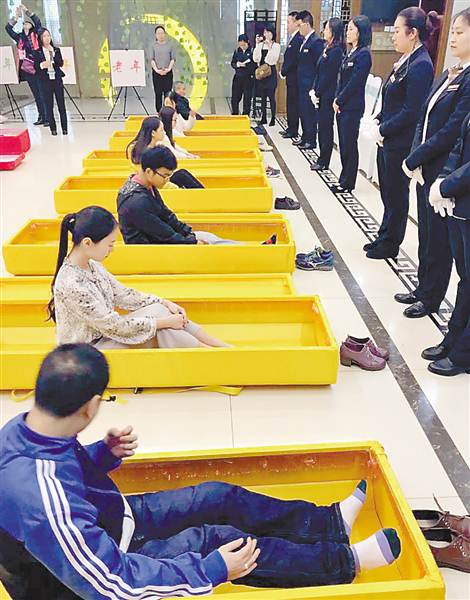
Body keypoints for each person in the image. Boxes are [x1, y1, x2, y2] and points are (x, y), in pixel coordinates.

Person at [0, 343, 402, 599]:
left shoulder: (27, 429)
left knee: (217, 495)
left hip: (113, 519)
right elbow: (108, 583)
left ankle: (328, 523)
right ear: (90, 406)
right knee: (224, 543)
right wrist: (210, 570)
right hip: (97, 569)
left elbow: (61, 474)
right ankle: (345, 562)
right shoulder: (42, 501)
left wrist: (101, 455)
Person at [47, 207, 228, 349]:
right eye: (110, 244)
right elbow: (114, 326)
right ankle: (215, 353)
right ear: (87, 243)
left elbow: (124, 295)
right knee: (161, 328)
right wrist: (163, 323)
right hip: (87, 352)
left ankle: (220, 348)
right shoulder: (71, 283)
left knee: (160, 310)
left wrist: (165, 302)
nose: (112, 249)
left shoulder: (92, 265)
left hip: (106, 336)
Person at [397, 8, 470, 317]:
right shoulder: (451, 72)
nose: (452, 37)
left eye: (459, 32)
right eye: (451, 31)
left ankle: (431, 297)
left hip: (443, 170)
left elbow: (450, 130)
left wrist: (417, 156)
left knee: (438, 241)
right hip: (426, 166)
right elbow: (424, 116)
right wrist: (416, 156)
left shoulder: (467, 80)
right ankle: (422, 286)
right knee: (426, 234)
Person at [365, 7, 434, 260]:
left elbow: (411, 111)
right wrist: (378, 119)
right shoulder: (406, 60)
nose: (393, 36)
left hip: (400, 142)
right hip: (387, 139)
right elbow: (392, 99)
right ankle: (384, 234)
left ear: (412, 33)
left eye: (397, 31)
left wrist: (383, 129)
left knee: (396, 194)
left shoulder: (421, 64)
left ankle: (391, 243)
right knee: (387, 191)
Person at [117, 146, 277, 246]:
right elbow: (163, 234)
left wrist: (188, 232)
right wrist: (191, 241)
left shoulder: (146, 185)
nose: (167, 180)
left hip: (158, 240)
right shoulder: (136, 202)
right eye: (165, 176)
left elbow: (166, 215)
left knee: (207, 237)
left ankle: (253, 248)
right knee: (208, 244)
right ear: (149, 171)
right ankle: (254, 252)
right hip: (152, 250)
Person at [422, 113, 470, 377]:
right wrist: (443, 179)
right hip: (461, 205)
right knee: (466, 280)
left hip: (462, 196)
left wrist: (447, 186)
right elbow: (459, 146)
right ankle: (454, 340)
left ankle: (464, 354)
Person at [333, 15, 372, 193]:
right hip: (342, 105)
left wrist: (339, 100)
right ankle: (343, 178)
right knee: (343, 143)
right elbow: (341, 79)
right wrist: (337, 99)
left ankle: (348, 182)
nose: (347, 32)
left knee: (349, 144)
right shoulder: (351, 52)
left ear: (360, 32)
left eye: (351, 29)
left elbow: (355, 82)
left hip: (352, 106)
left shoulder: (363, 54)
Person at [126, 116, 204, 189]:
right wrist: (176, 188)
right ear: (153, 133)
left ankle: (202, 191)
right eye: (162, 130)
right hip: (152, 182)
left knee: (182, 173)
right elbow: (152, 176)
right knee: (182, 175)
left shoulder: (151, 147)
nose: (164, 132)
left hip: (158, 178)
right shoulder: (144, 151)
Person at [310, 18, 345, 171]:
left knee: (326, 128)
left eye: (327, 29)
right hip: (320, 93)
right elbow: (319, 72)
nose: (324, 31)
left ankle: (324, 160)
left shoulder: (336, 51)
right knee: (321, 127)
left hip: (328, 95)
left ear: (334, 31)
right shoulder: (327, 47)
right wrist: (314, 89)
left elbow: (329, 76)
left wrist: (318, 93)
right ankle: (321, 157)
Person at [5, 3, 46, 125]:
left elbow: (37, 22)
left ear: (31, 26)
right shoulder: (19, 38)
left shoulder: (37, 34)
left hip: (39, 67)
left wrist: (27, 11)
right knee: (36, 94)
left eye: (28, 23)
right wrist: (16, 17)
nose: (26, 24)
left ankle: (47, 117)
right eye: (24, 23)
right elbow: (8, 28)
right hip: (27, 69)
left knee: (43, 93)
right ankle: (41, 116)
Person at [293, 10, 324, 150]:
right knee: (303, 112)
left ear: (306, 24)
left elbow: (318, 66)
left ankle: (311, 140)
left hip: (310, 85)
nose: (298, 28)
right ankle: (305, 137)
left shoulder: (316, 41)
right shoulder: (304, 41)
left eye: (299, 25)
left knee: (309, 113)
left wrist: (315, 87)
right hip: (301, 84)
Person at [35, 28, 68, 136]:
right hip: (45, 82)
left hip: (57, 80)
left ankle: (65, 128)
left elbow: (60, 63)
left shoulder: (56, 50)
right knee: (48, 106)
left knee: (61, 105)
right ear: (40, 38)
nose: (47, 38)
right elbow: (36, 67)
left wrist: (52, 57)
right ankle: (53, 129)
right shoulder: (37, 52)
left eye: (48, 35)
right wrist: (42, 65)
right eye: (44, 36)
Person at [280, 11, 303, 140]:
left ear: (296, 23)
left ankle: (293, 130)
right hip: (291, 78)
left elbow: (293, 60)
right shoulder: (293, 38)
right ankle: (290, 128)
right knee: (290, 104)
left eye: (288, 22)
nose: (287, 25)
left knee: (294, 105)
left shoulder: (298, 39)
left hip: (295, 78)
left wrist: (283, 71)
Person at [253, 26, 281, 126]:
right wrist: (257, 45)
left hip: (270, 72)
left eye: (269, 32)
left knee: (271, 96)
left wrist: (270, 48)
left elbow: (272, 60)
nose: (267, 34)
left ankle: (273, 118)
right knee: (263, 96)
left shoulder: (276, 46)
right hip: (262, 72)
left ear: (273, 34)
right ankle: (263, 117)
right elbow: (256, 59)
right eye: (265, 32)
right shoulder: (261, 45)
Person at [151, 25, 176, 113]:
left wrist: (168, 69)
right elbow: (152, 60)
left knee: (167, 93)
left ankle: (168, 112)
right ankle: (159, 112)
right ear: (155, 35)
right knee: (158, 93)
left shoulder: (170, 45)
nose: (160, 35)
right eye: (158, 33)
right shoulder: (153, 46)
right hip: (156, 73)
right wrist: (157, 70)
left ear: (165, 34)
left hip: (168, 73)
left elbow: (173, 59)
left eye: (162, 33)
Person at [230, 34, 255, 116]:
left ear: (247, 42)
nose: (242, 47)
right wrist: (237, 64)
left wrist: (246, 65)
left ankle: (245, 115)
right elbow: (232, 63)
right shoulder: (237, 51)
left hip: (248, 78)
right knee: (235, 98)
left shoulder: (252, 51)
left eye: (244, 45)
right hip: (238, 77)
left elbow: (254, 65)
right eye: (240, 45)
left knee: (247, 99)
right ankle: (235, 114)